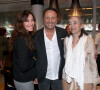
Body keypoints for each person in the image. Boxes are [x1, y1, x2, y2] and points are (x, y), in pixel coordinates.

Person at [62, 16, 100, 90]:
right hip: (67, 79)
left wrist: (95, 84)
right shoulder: (66, 40)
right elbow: (65, 58)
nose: (72, 26)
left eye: (75, 23)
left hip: (85, 79)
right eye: (70, 23)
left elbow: (93, 63)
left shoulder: (89, 41)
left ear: (82, 25)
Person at [35, 8, 68, 90]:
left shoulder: (63, 32)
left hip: (59, 76)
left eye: (53, 18)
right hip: (43, 76)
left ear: (57, 19)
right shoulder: (36, 35)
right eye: (47, 18)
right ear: (43, 19)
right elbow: (33, 56)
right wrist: (34, 75)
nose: (50, 20)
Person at [10, 10, 36, 90]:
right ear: (21, 23)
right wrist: (34, 58)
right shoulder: (22, 39)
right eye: (27, 21)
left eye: (32, 20)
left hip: (22, 79)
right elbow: (24, 66)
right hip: (24, 81)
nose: (31, 23)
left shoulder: (25, 36)